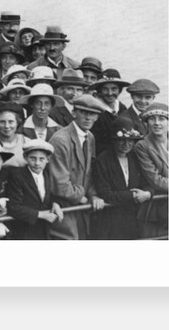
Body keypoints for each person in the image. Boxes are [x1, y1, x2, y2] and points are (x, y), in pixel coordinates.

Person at [47, 94, 108, 240]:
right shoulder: (60, 139)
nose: (88, 118)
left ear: (97, 117)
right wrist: (84, 198)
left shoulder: (90, 137)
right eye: (83, 112)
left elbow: (90, 172)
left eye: (92, 114)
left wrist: (94, 195)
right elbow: (59, 185)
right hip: (63, 206)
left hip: (80, 207)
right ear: (74, 113)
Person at [93, 116, 153, 239]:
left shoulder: (135, 157)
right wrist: (132, 196)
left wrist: (147, 193)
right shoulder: (103, 160)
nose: (126, 144)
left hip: (134, 218)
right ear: (114, 141)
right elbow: (105, 193)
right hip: (112, 219)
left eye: (130, 140)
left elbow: (146, 182)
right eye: (121, 140)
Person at [6, 139, 64, 239]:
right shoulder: (17, 176)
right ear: (25, 157)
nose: (37, 163)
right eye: (33, 158)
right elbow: (14, 207)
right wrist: (40, 215)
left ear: (48, 159)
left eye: (41, 159)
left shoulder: (47, 174)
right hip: (24, 230)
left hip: (43, 228)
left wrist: (55, 203)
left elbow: (49, 194)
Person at [133, 103, 169, 237]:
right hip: (156, 207)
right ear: (147, 122)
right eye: (152, 119)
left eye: (162, 119)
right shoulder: (142, 146)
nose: (157, 123)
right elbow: (155, 180)